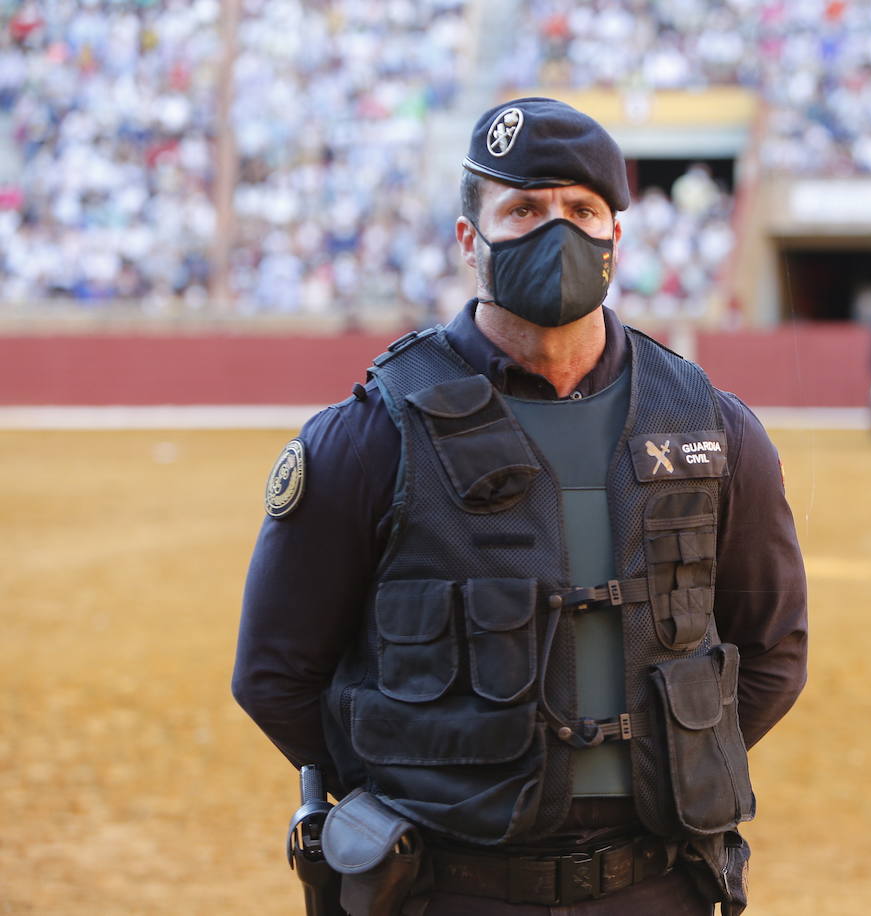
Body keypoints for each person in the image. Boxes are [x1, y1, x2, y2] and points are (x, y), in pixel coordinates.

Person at [232, 97, 808, 915]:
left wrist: (672, 764)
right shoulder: (368, 436)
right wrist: (424, 783)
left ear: (617, 235)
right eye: (524, 209)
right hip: (443, 886)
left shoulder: (711, 426)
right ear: (472, 238)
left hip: (655, 885)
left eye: (582, 210)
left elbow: (773, 651)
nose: (556, 231)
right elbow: (274, 673)